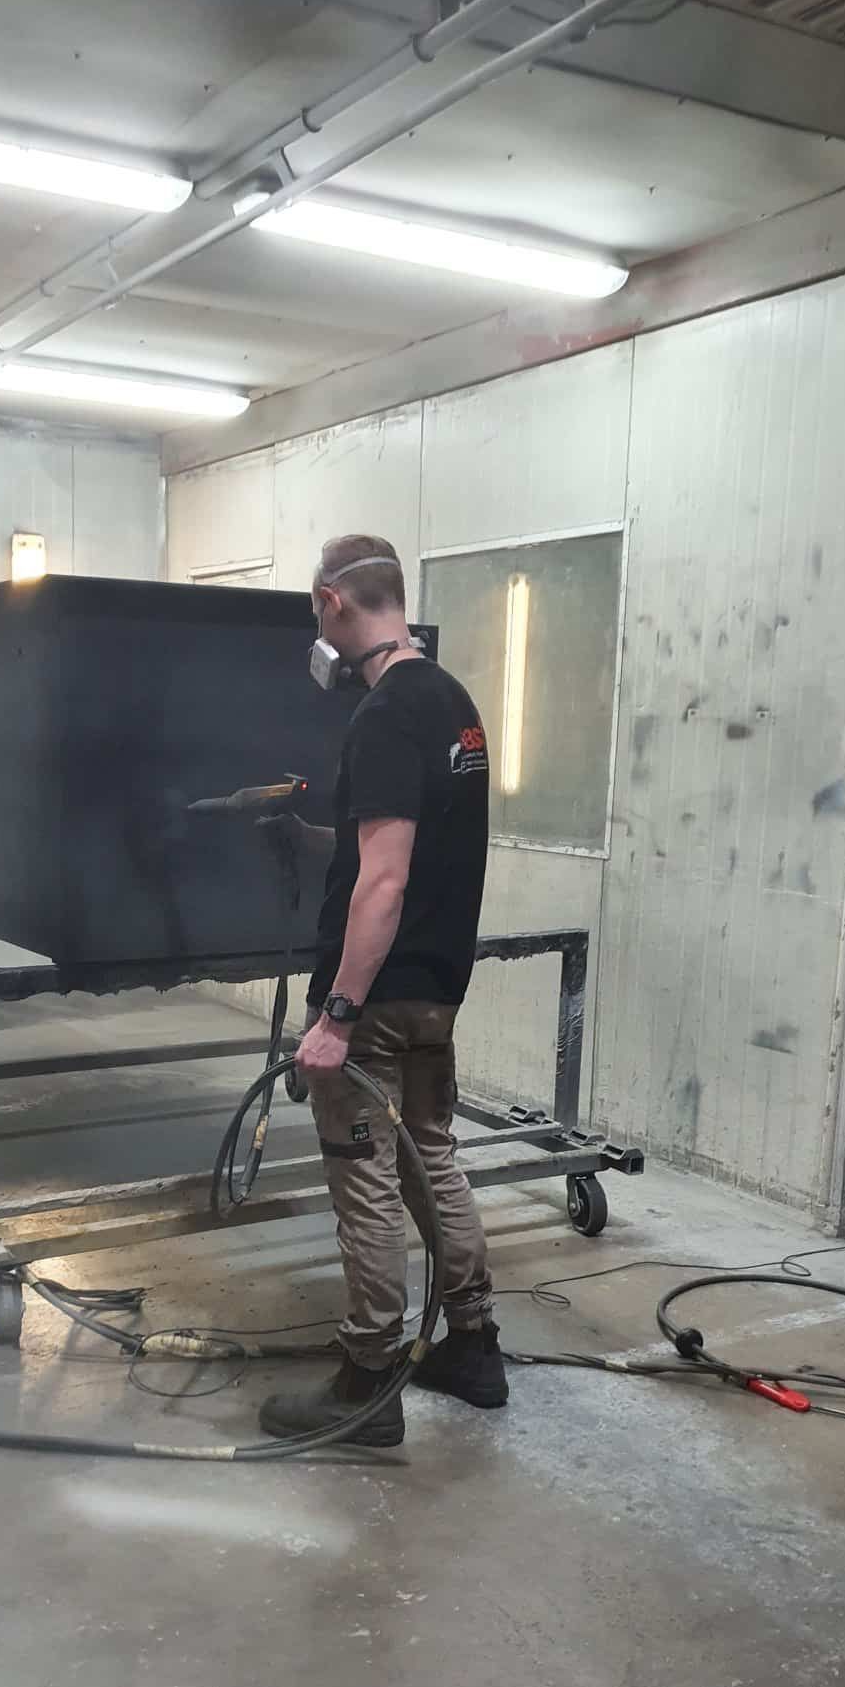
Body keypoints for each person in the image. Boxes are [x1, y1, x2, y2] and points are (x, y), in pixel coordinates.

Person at [257, 533, 506, 1448]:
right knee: (431, 1157)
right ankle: (473, 1345)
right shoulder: (454, 704)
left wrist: (336, 1017)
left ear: (332, 603)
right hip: (436, 990)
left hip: (378, 999)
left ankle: (368, 1379)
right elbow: (403, 852)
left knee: (363, 1177)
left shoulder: (385, 715)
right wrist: (313, 838)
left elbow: (387, 883)